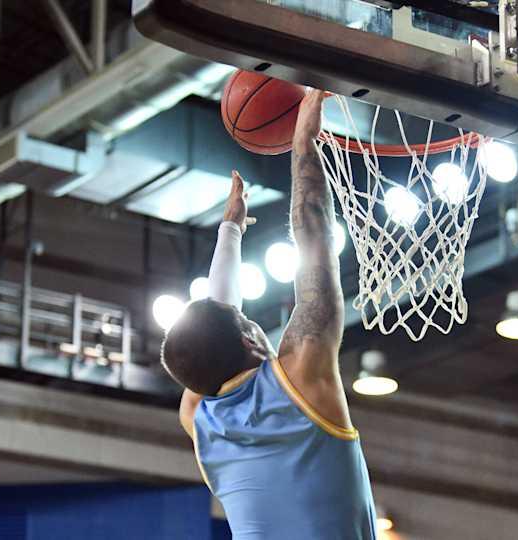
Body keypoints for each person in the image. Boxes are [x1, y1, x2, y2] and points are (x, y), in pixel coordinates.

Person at [160, 89, 377, 539]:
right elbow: (312, 231)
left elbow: (216, 328)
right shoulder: (298, 375)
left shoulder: (200, 419)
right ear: (248, 339)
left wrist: (231, 232)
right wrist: (303, 143)